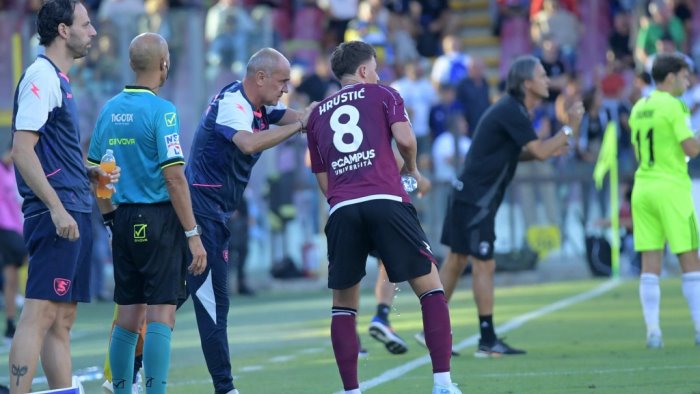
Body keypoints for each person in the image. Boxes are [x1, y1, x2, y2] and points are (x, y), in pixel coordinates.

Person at [306, 40, 460, 394]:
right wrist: (413, 171)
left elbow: (321, 175)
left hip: (342, 208)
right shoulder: (383, 94)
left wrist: (341, 199)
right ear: (363, 71)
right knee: (430, 287)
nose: (377, 75)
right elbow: (405, 140)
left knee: (344, 305)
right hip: (386, 199)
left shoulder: (317, 113)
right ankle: (442, 383)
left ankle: (351, 390)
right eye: (374, 69)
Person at [424, 55, 579, 358]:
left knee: (456, 262)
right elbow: (539, 150)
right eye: (542, 75)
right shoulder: (512, 110)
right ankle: (487, 339)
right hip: (475, 198)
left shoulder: (514, 110)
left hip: (473, 196)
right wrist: (569, 128)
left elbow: (526, 153)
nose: (547, 80)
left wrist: (556, 142)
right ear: (526, 83)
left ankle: (431, 330)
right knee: (483, 263)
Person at [185, 47, 317, 394]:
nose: (286, 88)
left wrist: (314, 114)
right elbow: (247, 144)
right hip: (202, 212)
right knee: (212, 304)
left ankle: (125, 376)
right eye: (282, 81)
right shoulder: (233, 104)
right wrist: (301, 123)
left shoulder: (258, 103)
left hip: (210, 211)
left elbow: (292, 115)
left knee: (166, 298)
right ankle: (225, 388)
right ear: (260, 78)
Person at [87, 32, 207, 394]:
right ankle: (154, 390)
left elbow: (98, 173)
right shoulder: (162, 111)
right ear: (164, 65)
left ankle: (121, 389)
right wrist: (192, 234)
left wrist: (110, 220)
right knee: (161, 314)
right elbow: (174, 177)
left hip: (122, 220)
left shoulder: (109, 110)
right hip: (157, 222)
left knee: (126, 316)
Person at [7, 1, 111, 392]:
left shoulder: (58, 79)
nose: (94, 32)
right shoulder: (40, 76)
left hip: (74, 206)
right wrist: (55, 207)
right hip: (58, 213)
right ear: (64, 31)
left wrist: (87, 170)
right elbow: (22, 150)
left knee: (62, 317)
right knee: (39, 312)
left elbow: (48, 149)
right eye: (86, 24)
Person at [628, 53, 700, 348]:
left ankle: (654, 331)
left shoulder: (639, 107)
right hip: (671, 187)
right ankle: (698, 327)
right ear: (670, 77)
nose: (688, 81)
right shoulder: (674, 105)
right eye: (685, 76)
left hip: (643, 187)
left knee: (650, 261)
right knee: (690, 258)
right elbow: (691, 148)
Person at [0, 152, 27, 341]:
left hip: (17, 227)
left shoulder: (12, 172)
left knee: (12, 277)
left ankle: (10, 323)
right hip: (5, 226)